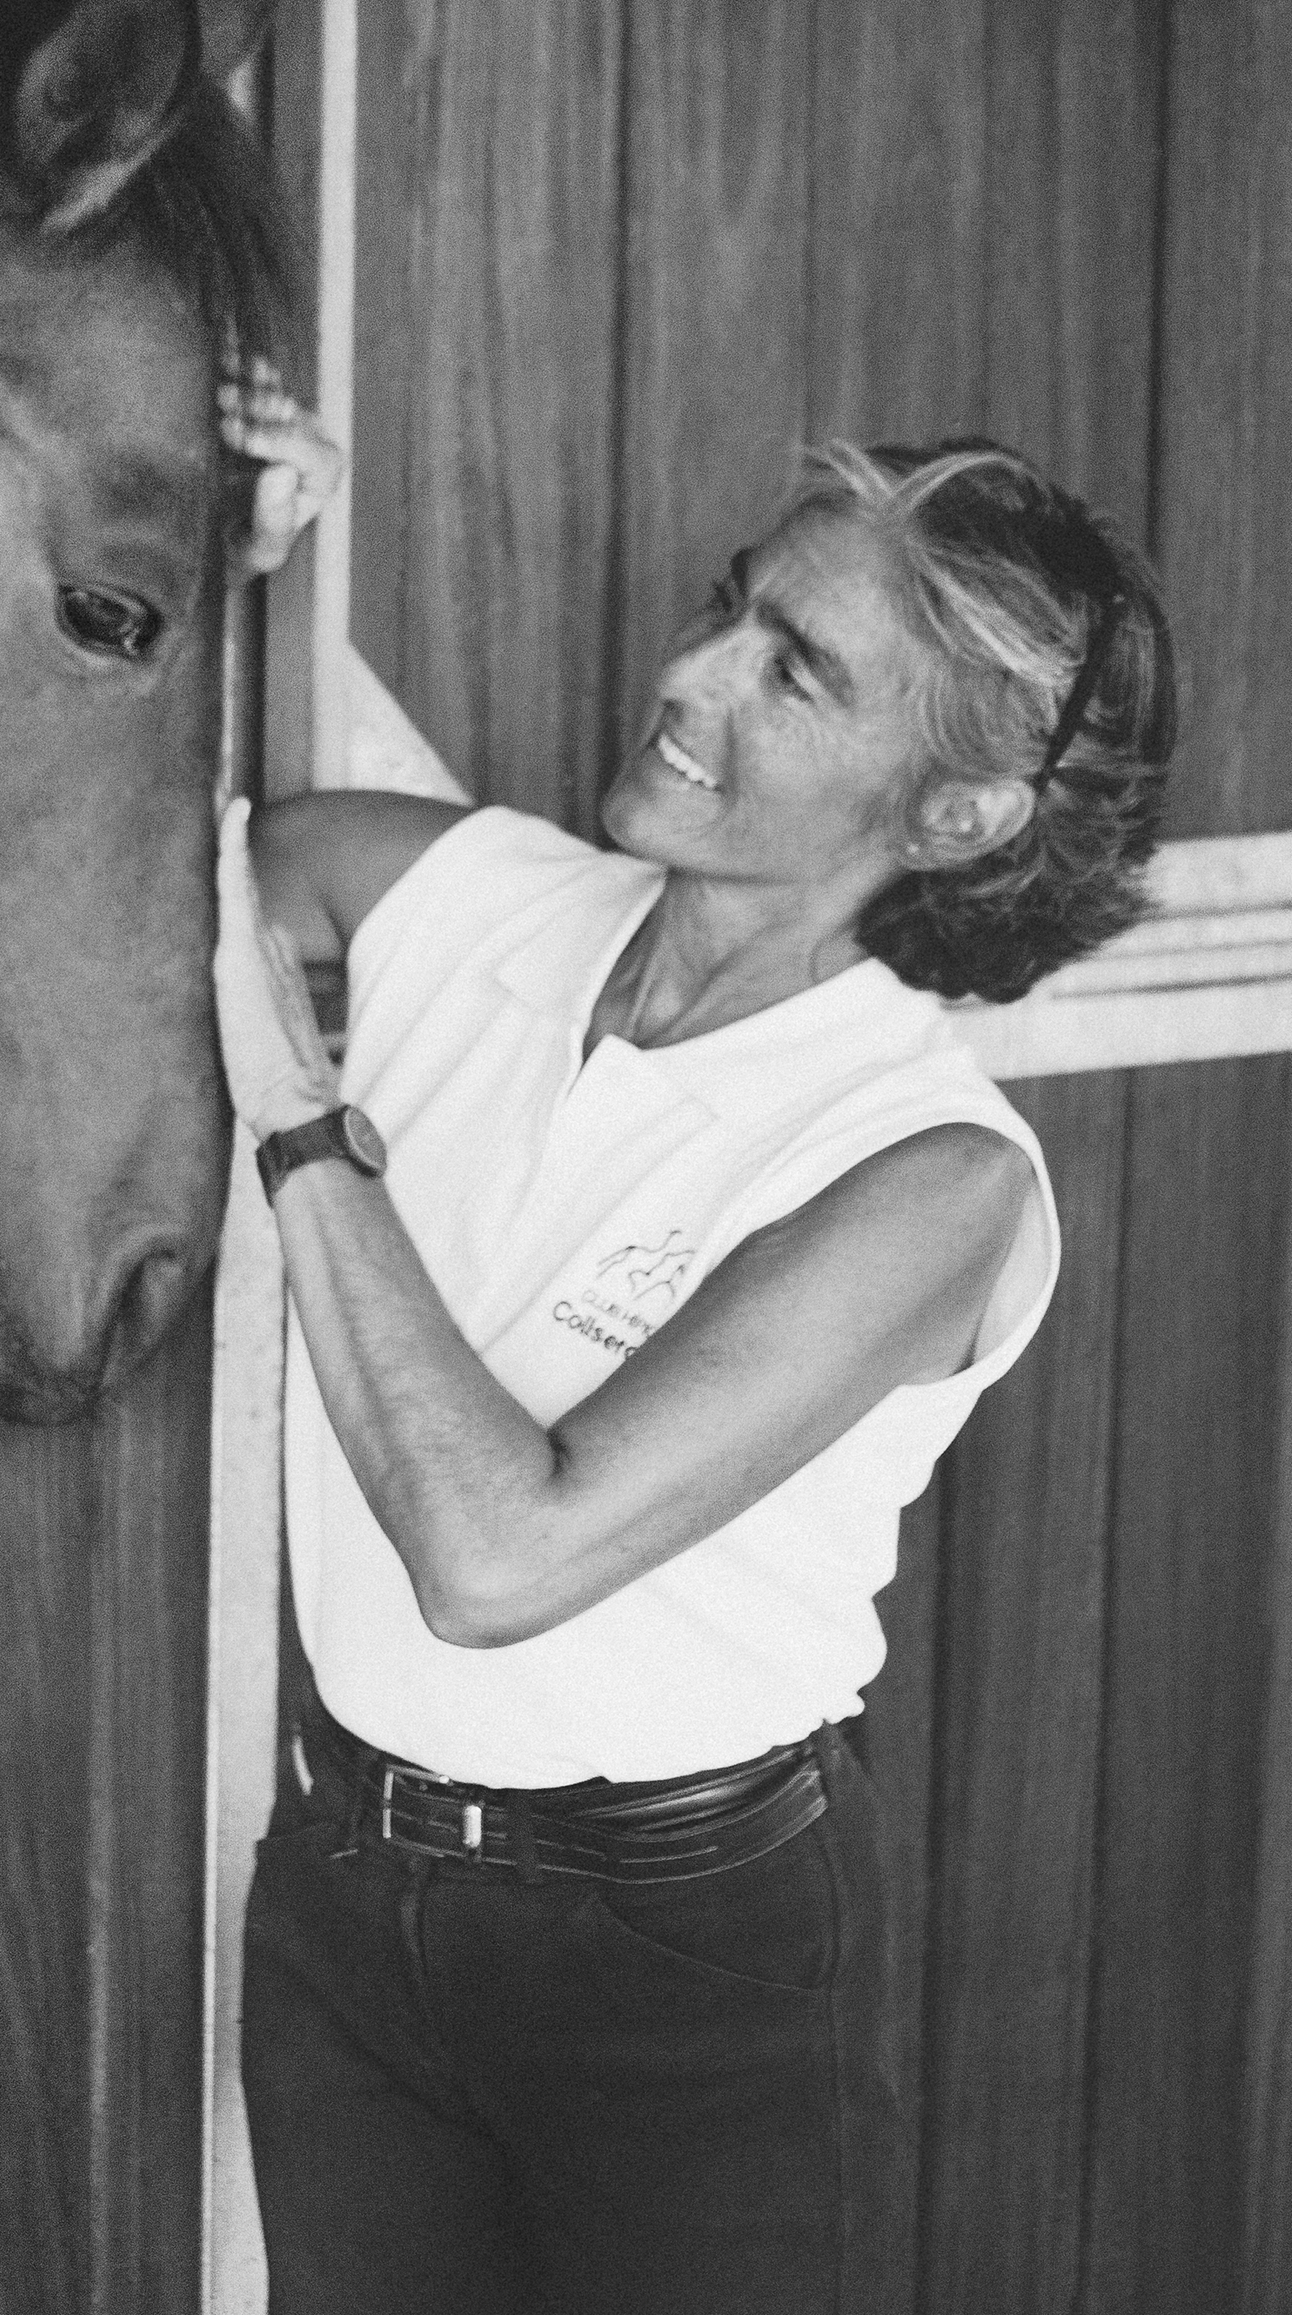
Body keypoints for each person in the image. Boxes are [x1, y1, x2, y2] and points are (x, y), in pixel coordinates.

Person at [212, 370, 1175, 2315]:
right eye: (731, 603)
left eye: (789, 671)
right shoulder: (483, 898)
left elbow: (498, 1556)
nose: (688, 673)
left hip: (674, 1961)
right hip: (338, 1879)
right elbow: (188, 854)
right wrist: (211, 545)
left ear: (957, 809)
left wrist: (296, 1117)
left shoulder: (926, 1173)